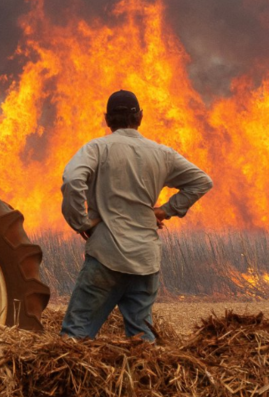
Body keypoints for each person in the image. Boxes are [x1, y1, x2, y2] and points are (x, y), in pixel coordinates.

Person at [60, 89, 213, 342]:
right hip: (145, 261)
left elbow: (73, 179)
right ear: (140, 117)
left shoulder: (97, 148)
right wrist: (165, 210)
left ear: (107, 119)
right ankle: (148, 381)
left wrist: (80, 222)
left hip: (106, 257)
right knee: (142, 343)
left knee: (75, 337)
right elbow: (201, 181)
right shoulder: (162, 153)